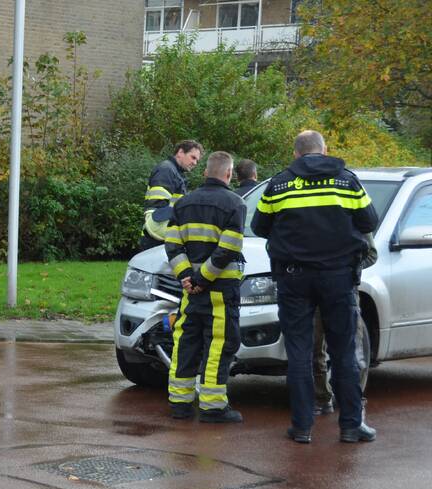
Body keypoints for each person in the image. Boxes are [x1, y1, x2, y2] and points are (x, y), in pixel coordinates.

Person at [251, 130, 379, 444]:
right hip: (338, 277)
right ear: (324, 150)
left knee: (299, 352)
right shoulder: (347, 181)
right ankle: (350, 425)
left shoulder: (278, 184)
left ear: (296, 155)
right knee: (344, 352)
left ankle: (302, 426)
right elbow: (369, 222)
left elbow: (258, 227)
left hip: (293, 278)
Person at [165, 151, 245, 423]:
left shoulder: (183, 203)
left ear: (205, 172)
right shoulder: (235, 203)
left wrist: (187, 277)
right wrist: (203, 279)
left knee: (185, 341)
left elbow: (172, 245)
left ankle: (180, 403)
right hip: (220, 290)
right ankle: (212, 407)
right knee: (219, 344)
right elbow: (228, 248)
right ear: (228, 173)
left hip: (189, 291)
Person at [313, 237, 377, 415]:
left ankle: (355, 400)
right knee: (315, 347)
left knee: (352, 349)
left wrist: (348, 269)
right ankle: (322, 398)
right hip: (316, 290)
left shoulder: (354, 212)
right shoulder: (313, 214)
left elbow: (371, 254)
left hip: (345, 290)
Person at [138, 140, 204, 251]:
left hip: (158, 236)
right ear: (180, 152)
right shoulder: (166, 170)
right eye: (193, 157)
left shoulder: (175, 173)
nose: (195, 163)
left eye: (197, 160)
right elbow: (158, 210)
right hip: (156, 237)